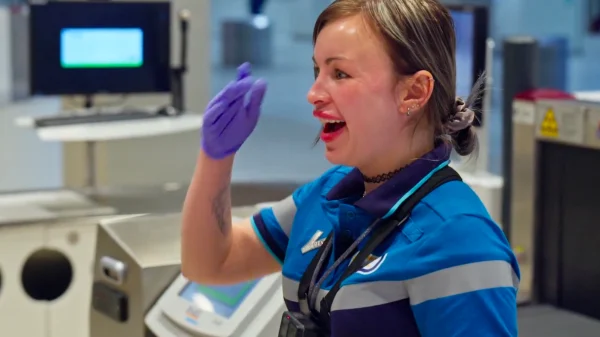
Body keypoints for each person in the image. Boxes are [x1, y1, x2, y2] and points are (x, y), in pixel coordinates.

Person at [181, 0, 519, 336]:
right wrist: (216, 158)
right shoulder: (330, 191)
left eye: (339, 73)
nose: (313, 94)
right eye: (317, 72)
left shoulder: (457, 237)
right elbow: (211, 263)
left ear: (414, 92)